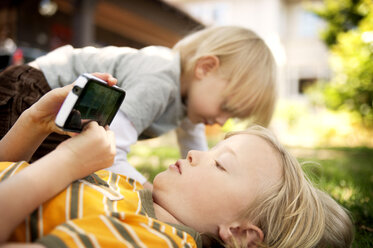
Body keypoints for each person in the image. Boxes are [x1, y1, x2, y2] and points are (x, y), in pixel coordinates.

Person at [0, 83, 353, 247]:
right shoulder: (140, 196)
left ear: (242, 234)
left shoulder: (147, 238)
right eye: (213, 150)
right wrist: (33, 123)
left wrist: (66, 163)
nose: (196, 155)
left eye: (220, 165)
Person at [0, 25, 277, 187]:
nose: (221, 121)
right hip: (34, 93)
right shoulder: (161, 80)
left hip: (58, 112)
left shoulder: (188, 101)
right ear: (205, 67)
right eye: (226, 107)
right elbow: (111, 153)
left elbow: (197, 155)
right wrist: (146, 192)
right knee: (46, 178)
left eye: (233, 116)